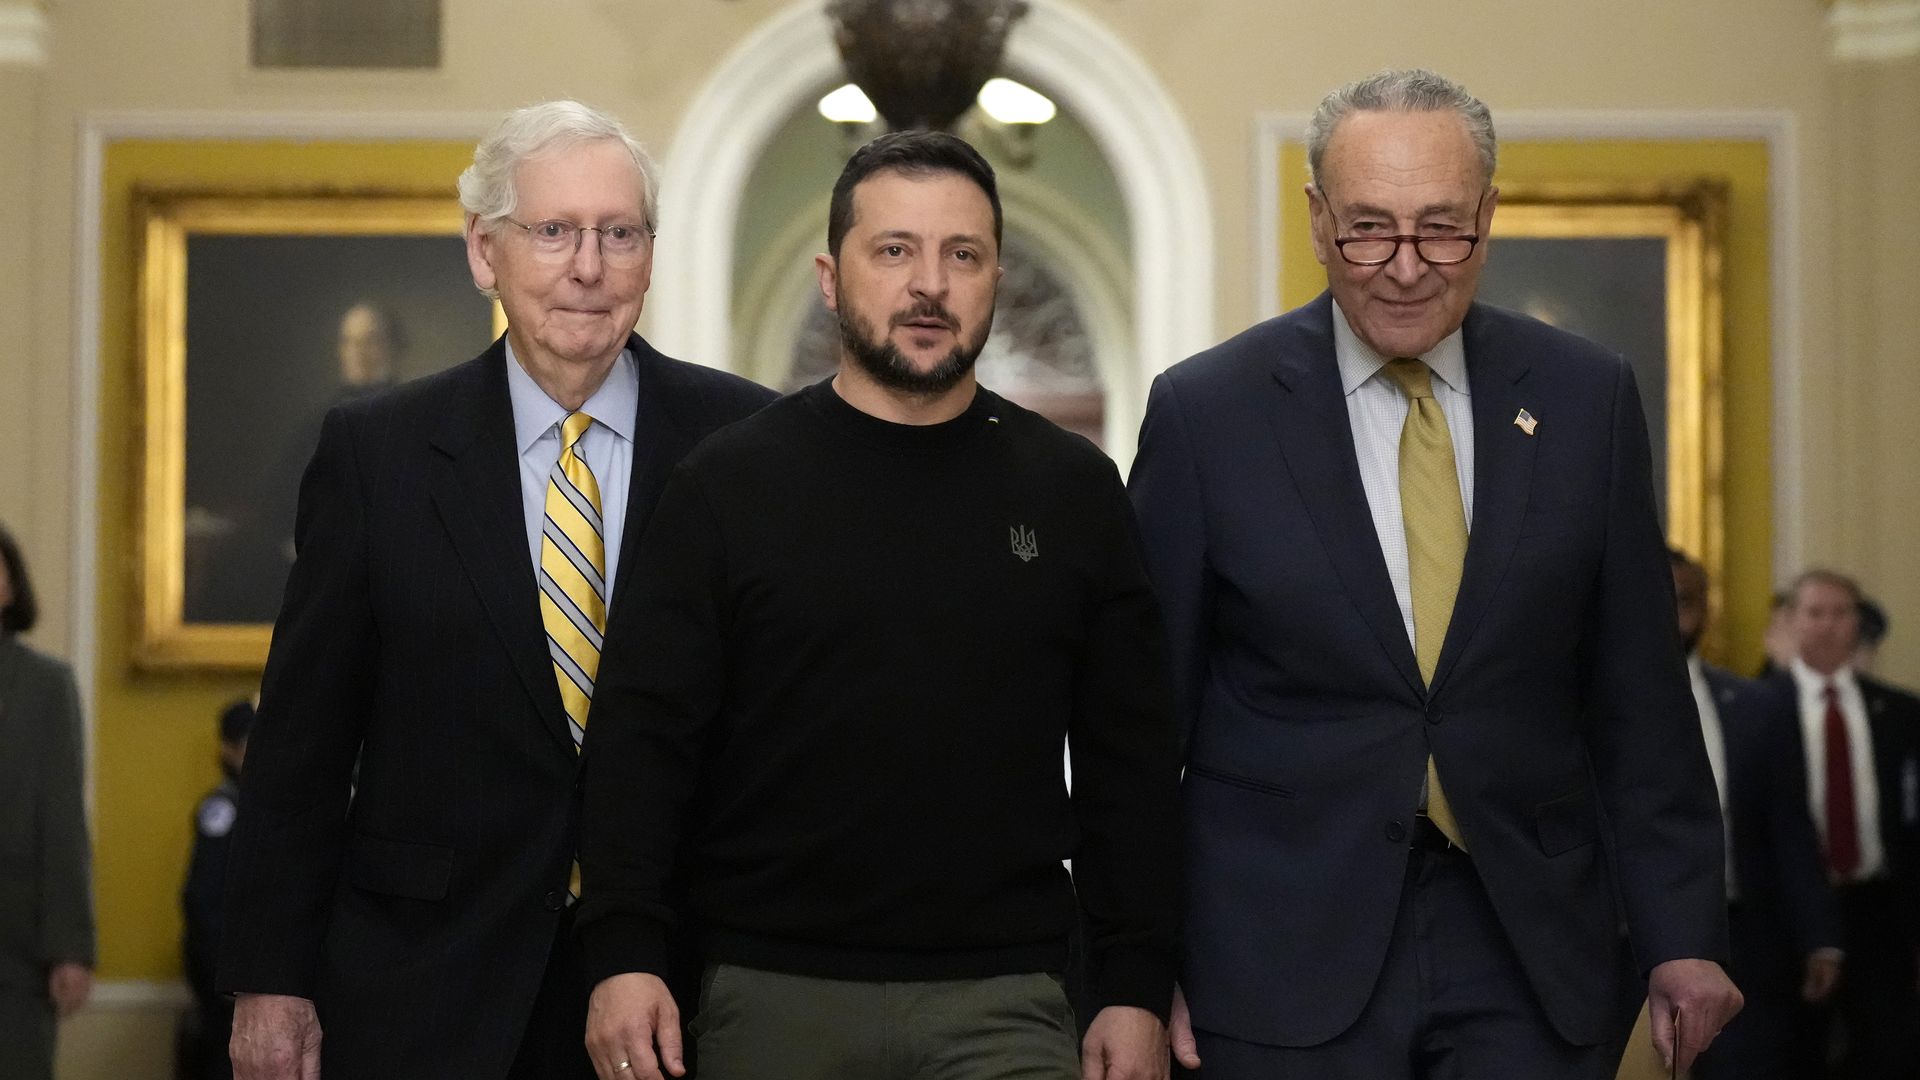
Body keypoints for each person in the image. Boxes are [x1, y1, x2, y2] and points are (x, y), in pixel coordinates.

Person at [1128, 68, 1741, 1080]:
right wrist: (1138, 965)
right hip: (1279, 949)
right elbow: (1145, 725)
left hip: (1530, 946)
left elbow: (1640, 698)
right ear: (1319, 222)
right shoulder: (1209, 414)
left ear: (1489, 218)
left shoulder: (1588, 399)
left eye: (1441, 229)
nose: (1406, 267)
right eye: (1370, 228)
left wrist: (1684, 932)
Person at [576, 130, 1181, 1080]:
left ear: (994, 277)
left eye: (962, 254)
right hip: (771, 998)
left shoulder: (1073, 491)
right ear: (831, 277)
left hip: (1012, 1001)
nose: (928, 284)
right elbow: (642, 747)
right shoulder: (726, 487)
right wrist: (622, 953)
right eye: (894, 250)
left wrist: (1136, 983)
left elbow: (1131, 763)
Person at [216, 100, 777, 1080]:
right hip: (426, 986)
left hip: (685, 991)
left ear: (651, 254)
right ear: (485, 252)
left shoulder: (746, 444)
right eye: (554, 232)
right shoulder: (376, 456)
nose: (588, 267)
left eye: (620, 234)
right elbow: (303, 743)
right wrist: (272, 980)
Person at [1666, 551, 1840, 1080]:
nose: (1669, 616)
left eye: (1683, 603)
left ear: (1705, 612)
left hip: (1744, 945)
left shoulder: (1757, 706)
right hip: (1620, 950)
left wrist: (1820, 936)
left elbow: (1791, 831)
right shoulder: (1579, 706)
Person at [1769, 569, 1920, 1079]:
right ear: (1791, 622)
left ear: (1859, 623)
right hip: (1788, 914)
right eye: (1815, 613)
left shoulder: (1900, 712)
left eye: (1841, 613)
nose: (1829, 625)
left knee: (1889, 1052)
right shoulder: (1757, 707)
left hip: (1879, 909)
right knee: (1797, 1054)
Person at [0, 523, 96, 1080]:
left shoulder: (44, 686)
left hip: (15, 955)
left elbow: (63, 823)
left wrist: (70, 947)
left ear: (10, 588)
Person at [179, 698, 254, 1080]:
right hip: (226, 982)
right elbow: (202, 899)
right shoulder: (223, 809)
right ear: (228, 749)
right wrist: (223, 975)